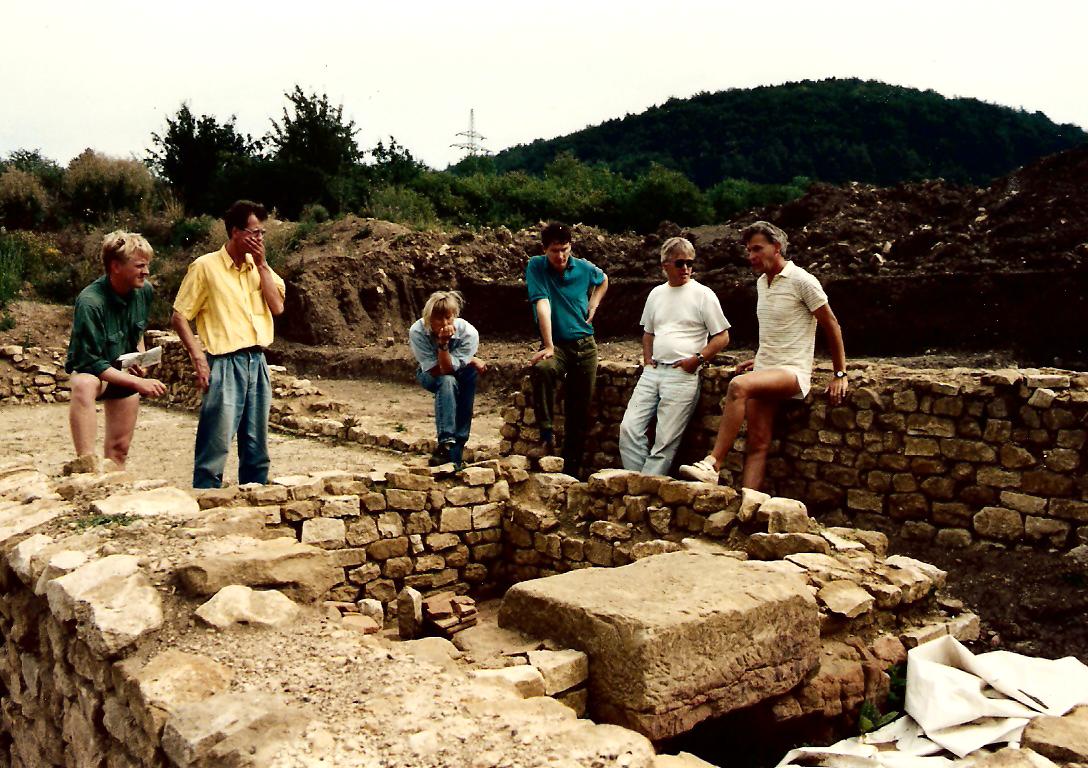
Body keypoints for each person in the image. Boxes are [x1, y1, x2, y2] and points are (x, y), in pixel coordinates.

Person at [679, 220, 847, 488]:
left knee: (737, 385)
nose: (751, 256)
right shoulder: (761, 283)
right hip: (766, 369)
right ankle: (749, 509)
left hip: (792, 372)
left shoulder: (802, 281)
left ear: (777, 247)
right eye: (748, 250)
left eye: (757, 249)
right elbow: (778, 329)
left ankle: (713, 464)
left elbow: (832, 324)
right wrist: (760, 358)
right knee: (757, 443)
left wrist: (840, 374)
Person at [171, 200, 286, 488]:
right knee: (217, 439)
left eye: (262, 234)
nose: (259, 239)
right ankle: (206, 497)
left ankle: (257, 498)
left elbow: (277, 307)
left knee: (256, 441)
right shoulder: (205, 267)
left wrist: (261, 266)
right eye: (254, 233)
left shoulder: (259, 269)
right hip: (224, 361)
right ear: (235, 231)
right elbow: (180, 316)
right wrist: (198, 357)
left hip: (257, 361)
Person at [619, 237, 730, 476]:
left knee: (666, 439)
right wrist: (648, 360)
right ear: (665, 265)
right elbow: (648, 332)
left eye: (690, 263)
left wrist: (697, 359)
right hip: (654, 371)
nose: (686, 268)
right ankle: (638, 480)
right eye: (680, 263)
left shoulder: (703, 294)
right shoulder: (656, 294)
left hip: (683, 373)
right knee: (629, 428)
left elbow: (722, 337)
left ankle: (643, 487)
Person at [65, 231, 167, 469]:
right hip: (98, 373)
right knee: (83, 383)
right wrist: (138, 384)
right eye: (140, 265)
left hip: (123, 369)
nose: (147, 272)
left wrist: (140, 358)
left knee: (119, 452)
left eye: (147, 265)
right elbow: (90, 361)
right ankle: (85, 463)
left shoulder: (145, 291)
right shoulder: (90, 301)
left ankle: (113, 488)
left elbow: (138, 328)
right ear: (116, 266)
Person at [526, 222, 609, 478]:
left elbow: (603, 279)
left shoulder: (583, 267)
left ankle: (572, 472)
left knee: (579, 411)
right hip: (558, 345)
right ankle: (547, 434)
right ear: (544, 249)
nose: (560, 256)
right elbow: (542, 304)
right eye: (554, 251)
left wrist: (593, 304)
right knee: (542, 369)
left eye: (565, 249)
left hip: (585, 346)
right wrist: (549, 345)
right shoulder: (537, 266)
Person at [408, 290, 487, 469]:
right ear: (428, 319)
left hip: (462, 371)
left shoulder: (469, 333)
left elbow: (455, 367)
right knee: (447, 381)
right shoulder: (418, 331)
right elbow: (441, 370)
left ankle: (456, 448)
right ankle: (446, 442)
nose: (444, 324)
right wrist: (443, 345)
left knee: (467, 380)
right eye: (438, 319)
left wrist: (467, 359)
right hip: (431, 372)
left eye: (448, 318)